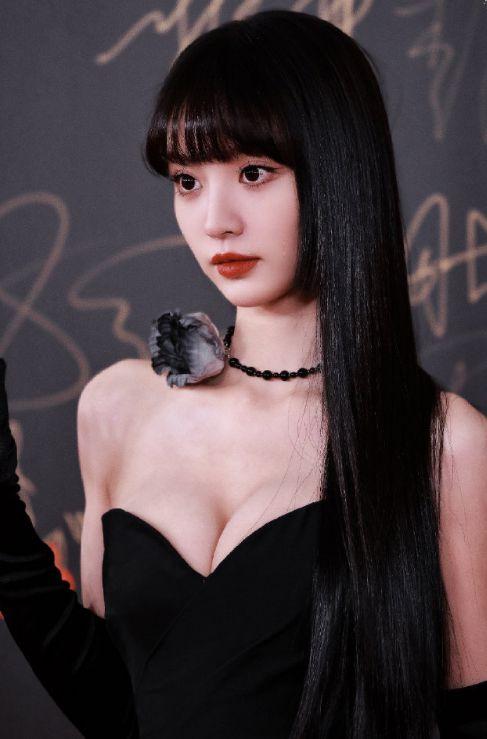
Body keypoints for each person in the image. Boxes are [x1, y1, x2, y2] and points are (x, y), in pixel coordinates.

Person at [1, 8, 486, 738]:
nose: (214, 221)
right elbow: (120, 707)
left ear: (338, 172)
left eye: (253, 173)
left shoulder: (444, 444)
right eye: (186, 181)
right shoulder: (117, 405)